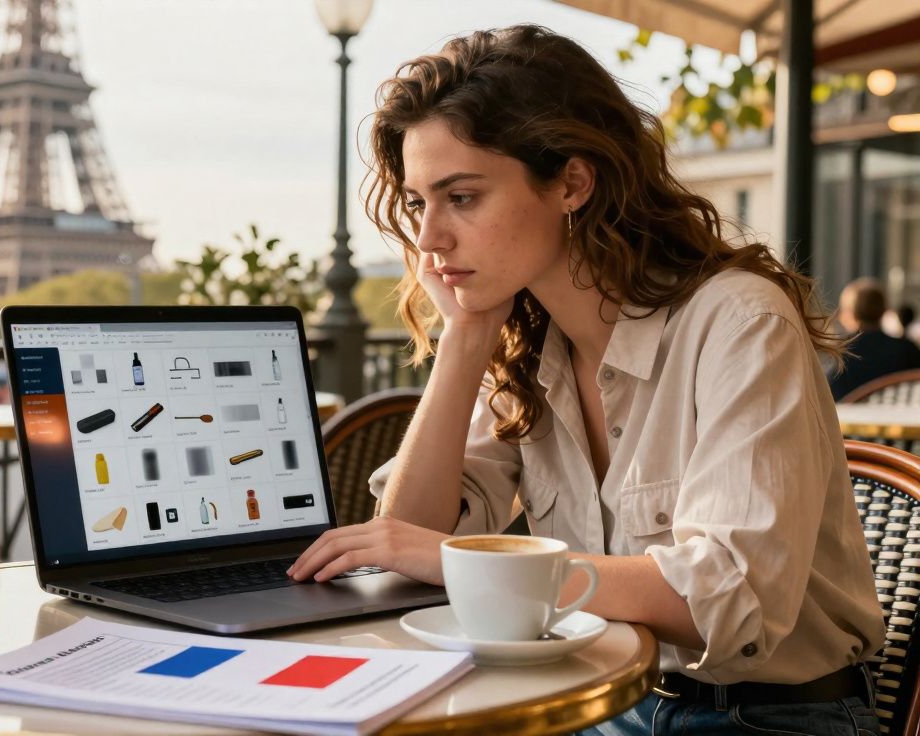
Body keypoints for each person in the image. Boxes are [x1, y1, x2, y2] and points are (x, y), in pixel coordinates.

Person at [286, 26, 883, 735]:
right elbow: (411, 542)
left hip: (764, 717)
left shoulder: (738, 321)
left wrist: (459, 562)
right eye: (419, 202)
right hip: (595, 696)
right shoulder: (527, 344)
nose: (428, 240)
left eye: (463, 197)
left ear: (572, 182)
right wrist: (468, 335)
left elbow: (725, 600)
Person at [828, 279, 920, 400]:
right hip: (897, 418)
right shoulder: (907, 350)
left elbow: (828, 397)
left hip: (850, 418)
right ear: (883, 310)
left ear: (850, 314)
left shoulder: (840, 353)